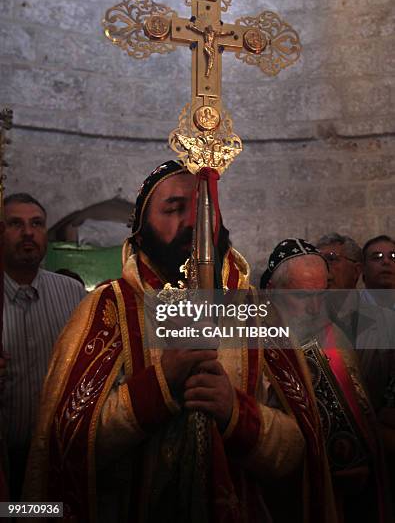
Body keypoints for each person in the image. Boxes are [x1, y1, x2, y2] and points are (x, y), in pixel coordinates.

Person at [25, 162, 336, 523]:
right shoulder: (108, 308)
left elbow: (300, 448)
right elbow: (68, 440)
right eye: (173, 209)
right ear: (140, 233)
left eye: (203, 209)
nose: (193, 222)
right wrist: (161, 384)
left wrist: (235, 413)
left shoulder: (257, 313)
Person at [260, 238, 391, 523]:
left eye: (323, 293)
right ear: (272, 291)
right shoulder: (257, 349)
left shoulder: (335, 335)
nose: (315, 307)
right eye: (303, 296)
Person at [2, 193, 86, 500]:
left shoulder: (71, 293)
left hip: (54, 458)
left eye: (36, 224)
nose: (28, 232)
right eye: (15, 224)